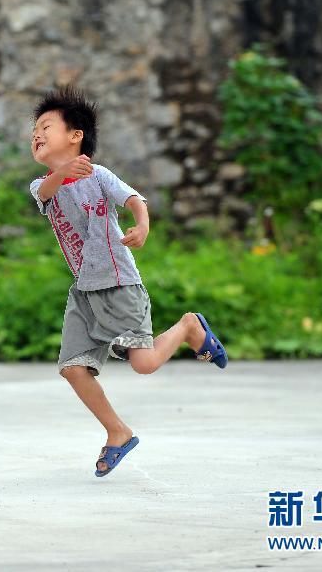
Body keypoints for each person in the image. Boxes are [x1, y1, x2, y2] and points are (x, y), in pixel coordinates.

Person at [28, 86, 228, 477]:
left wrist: (142, 224)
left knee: (144, 362)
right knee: (72, 367)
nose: (36, 133)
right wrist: (62, 173)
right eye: (34, 128)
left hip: (118, 282)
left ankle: (190, 326)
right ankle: (117, 432)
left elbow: (134, 199)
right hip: (84, 291)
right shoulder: (42, 185)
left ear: (75, 136)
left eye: (46, 126)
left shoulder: (99, 176)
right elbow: (48, 190)